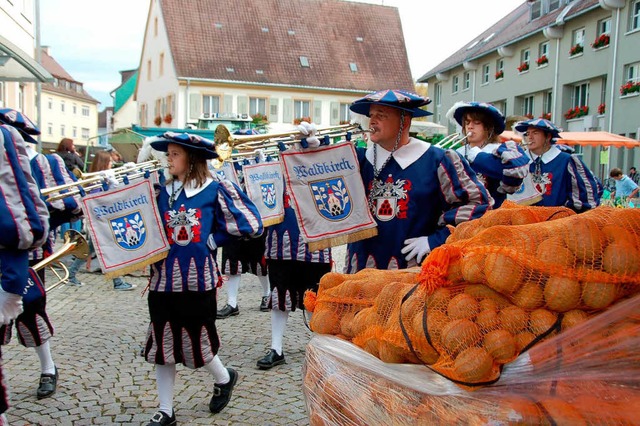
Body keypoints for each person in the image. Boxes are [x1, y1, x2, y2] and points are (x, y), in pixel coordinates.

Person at [145, 132, 263, 425]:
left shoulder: (215, 189)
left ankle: (224, 378)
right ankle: (166, 409)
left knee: (198, 341)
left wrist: (215, 239)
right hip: (162, 280)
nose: (168, 159)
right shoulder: (162, 190)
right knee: (163, 343)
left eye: (174, 154)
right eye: (167, 154)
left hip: (198, 280)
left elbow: (252, 223)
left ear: (192, 158)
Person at [344, 89, 493, 273]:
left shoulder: (439, 160)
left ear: (404, 122)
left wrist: (436, 240)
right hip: (361, 271)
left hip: (413, 275)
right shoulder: (357, 159)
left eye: (381, 115)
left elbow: (479, 206)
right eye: (371, 115)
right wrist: (310, 150)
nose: (372, 121)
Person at [0, 109, 62, 401]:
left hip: (32, 250)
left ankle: (48, 368)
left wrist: (42, 216)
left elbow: (67, 206)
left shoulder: (42, 163)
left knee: (32, 309)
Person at [255, 184, 332, 370]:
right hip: (280, 241)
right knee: (280, 295)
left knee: (314, 296)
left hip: (315, 242)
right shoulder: (275, 169)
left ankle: (321, 349)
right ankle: (276, 348)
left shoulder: (324, 164)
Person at [66, 151, 136, 290]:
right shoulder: (96, 180)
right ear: (104, 163)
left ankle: (71, 275)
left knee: (92, 249)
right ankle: (117, 282)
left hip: (102, 221)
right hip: (100, 221)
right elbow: (99, 198)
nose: (111, 164)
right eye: (109, 162)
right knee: (110, 249)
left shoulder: (102, 178)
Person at [447, 102, 530, 208]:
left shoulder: (501, 151)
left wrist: (478, 157)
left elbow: (514, 174)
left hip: (492, 214)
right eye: (467, 123)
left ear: (488, 127)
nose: (470, 127)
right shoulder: (457, 152)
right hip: (460, 215)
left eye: (476, 122)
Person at [515, 118, 600, 211]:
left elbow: (585, 194)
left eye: (535, 133)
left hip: (557, 221)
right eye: (527, 134)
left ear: (548, 137)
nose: (530, 137)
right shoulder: (520, 161)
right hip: (524, 221)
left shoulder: (566, 160)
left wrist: (564, 213)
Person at [217, 234, 271, 318]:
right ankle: (232, 303)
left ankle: (267, 294)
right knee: (232, 260)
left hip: (256, 224)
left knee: (259, 259)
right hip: (232, 225)